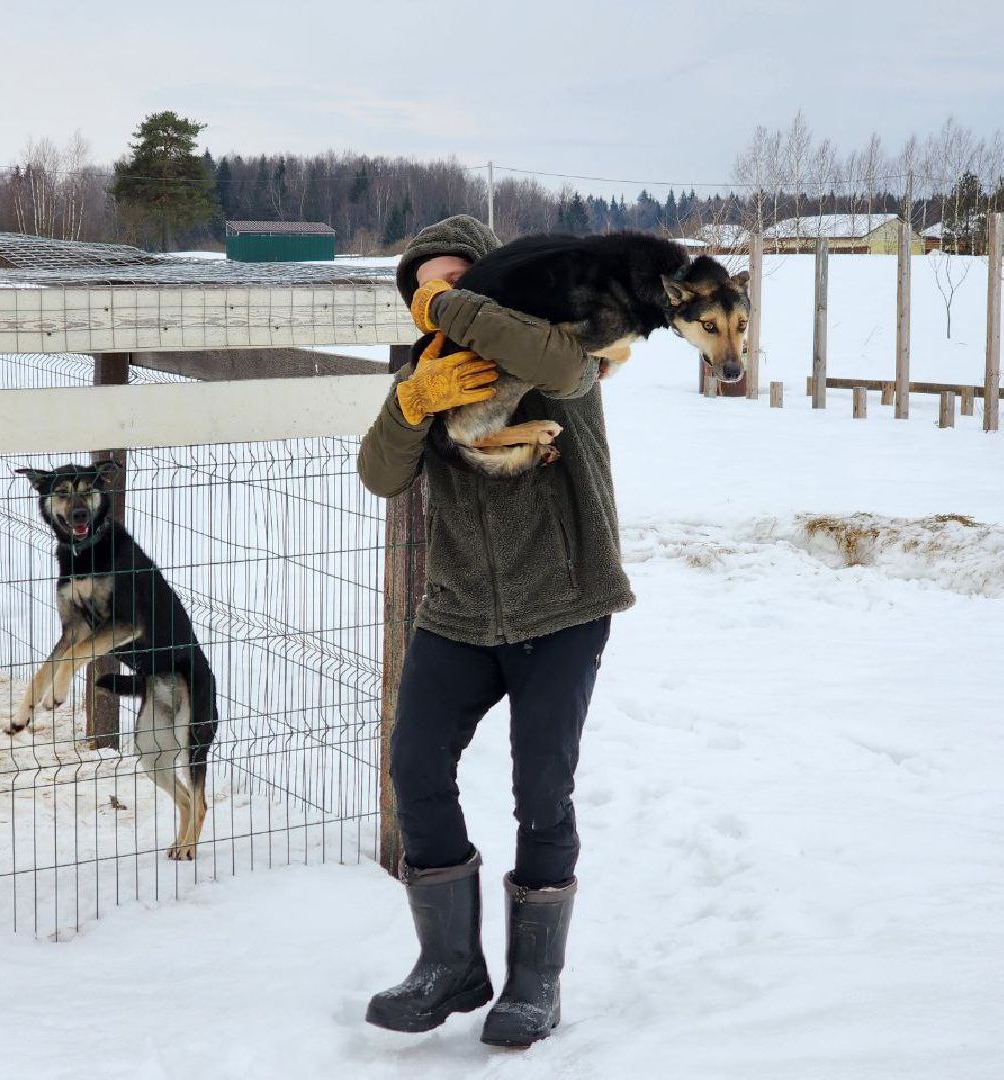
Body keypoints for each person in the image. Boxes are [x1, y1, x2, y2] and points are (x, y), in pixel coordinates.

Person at [357, 215, 634, 1048]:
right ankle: (451, 963)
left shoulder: (560, 348)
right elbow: (380, 473)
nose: (438, 300)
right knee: (414, 765)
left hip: (562, 606)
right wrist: (410, 403)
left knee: (540, 790)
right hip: (459, 610)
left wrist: (461, 311)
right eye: (424, 289)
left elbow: (568, 371)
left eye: (457, 282)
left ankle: (535, 981)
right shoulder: (427, 370)